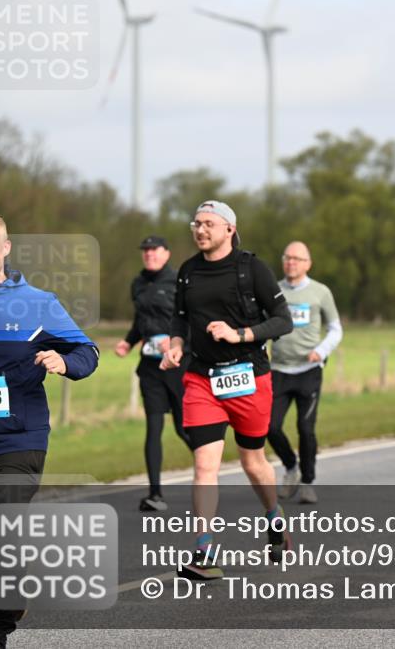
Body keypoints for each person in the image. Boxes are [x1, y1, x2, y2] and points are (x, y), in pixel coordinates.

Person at [0, 207, 99, 648]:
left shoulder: (38, 303)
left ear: (6, 248)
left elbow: (87, 351)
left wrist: (64, 361)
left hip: (19, 439)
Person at [161, 200, 294, 579]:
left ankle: (274, 515)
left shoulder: (252, 269)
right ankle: (204, 551)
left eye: (208, 224)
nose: (200, 230)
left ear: (229, 229)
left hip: (249, 378)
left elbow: (283, 322)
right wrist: (175, 345)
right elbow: (180, 318)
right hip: (202, 379)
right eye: (196, 224)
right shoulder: (187, 271)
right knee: (205, 466)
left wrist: (239, 334)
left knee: (253, 461)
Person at [114, 235, 190, 511]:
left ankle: (209, 474)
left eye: (154, 250)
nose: (149, 254)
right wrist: (129, 341)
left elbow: (190, 319)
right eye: (145, 251)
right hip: (150, 368)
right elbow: (140, 320)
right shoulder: (138, 283)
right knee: (153, 429)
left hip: (178, 365)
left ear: (166, 254)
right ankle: (155, 494)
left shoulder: (179, 282)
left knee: (184, 429)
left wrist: (177, 341)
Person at [267, 241, 343, 505]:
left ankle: (308, 482)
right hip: (278, 369)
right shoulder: (273, 291)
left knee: (305, 427)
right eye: (287, 257)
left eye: (297, 258)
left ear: (308, 264)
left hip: (308, 370)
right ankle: (291, 467)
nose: (291, 262)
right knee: (269, 426)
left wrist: (321, 351)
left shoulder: (320, 292)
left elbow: (335, 328)